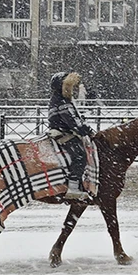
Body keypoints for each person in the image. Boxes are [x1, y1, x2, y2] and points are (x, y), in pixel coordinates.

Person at [48, 71, 96, 201]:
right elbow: (72, 121)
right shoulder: (62, 100)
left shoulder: (61, 98)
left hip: (63, 130)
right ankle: (73, 187)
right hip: (61, 133)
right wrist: (86, 130)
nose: (72, 89)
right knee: (80, 154)